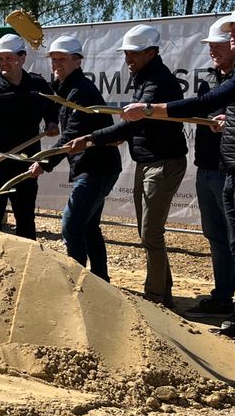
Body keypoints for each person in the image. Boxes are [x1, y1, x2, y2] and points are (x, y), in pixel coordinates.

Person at [122, 2, 235, 357]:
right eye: (231, 30)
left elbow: (212, 99)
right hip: (234, 170)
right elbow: (228, 104)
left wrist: (151, 110)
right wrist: (234, 119)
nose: (231, 36)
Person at [70, 24, 187, 308]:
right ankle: (163, 291)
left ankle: (156, 297)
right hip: (147, 161)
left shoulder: (158, 82)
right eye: (126, 54)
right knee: (147, 231)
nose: (128, 60)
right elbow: (134, 127)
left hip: (163, 163)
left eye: (133, 54)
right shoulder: (145, 77)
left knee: (150, 232)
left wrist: (92, 139)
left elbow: (134, 122)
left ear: (151, 52)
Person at [30, 35, 122, 281]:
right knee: (89, 225)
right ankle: (100, 279)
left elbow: (71, 136)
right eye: (54, 60)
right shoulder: (67, 87)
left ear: (78, 61)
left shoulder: (81, 92)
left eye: (62, 60)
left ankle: (78, 280)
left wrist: (44, 163)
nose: (56, 64)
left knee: (71, 225)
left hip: (96, 168)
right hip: (96, 167)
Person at [0, 33, 58, 238]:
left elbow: (52, 106)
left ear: (22, 58)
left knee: (25, 218)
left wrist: (52, 122)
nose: (4, 63)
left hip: (25, 165)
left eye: (9, 58)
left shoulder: (38, 85)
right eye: (0, 59)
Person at [187, 18, 235, 318]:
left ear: (233, 46)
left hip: (229, 169)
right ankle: (222, 297)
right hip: (206, 167)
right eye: (211, 46)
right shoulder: (208, 80)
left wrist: (228, 119)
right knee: (216, 236)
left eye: (218, 46)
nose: (213, 51)